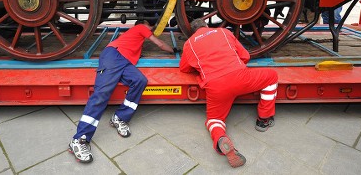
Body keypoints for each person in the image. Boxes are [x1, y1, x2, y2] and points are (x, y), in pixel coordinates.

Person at [69, 20, 176, 163]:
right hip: (114, 56)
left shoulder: (135, 37)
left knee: (140, 81)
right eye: (151, 25)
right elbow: (161, 44)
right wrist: (175, 50)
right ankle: (79, 139)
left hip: (124, 61)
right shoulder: (141, 27)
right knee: (102, 94)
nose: (152, 28)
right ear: (144, 23)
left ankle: (119, 117)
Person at [179, 18, 278, 168]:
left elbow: (184, 68)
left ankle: (220, 138)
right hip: (240, 78)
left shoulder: (189, 43)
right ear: (206, 26)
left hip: (215, 86)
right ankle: (263, 119)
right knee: (271, 77)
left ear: (193, 31)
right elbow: (245, 56)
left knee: (214, 119)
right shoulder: (224, 32)